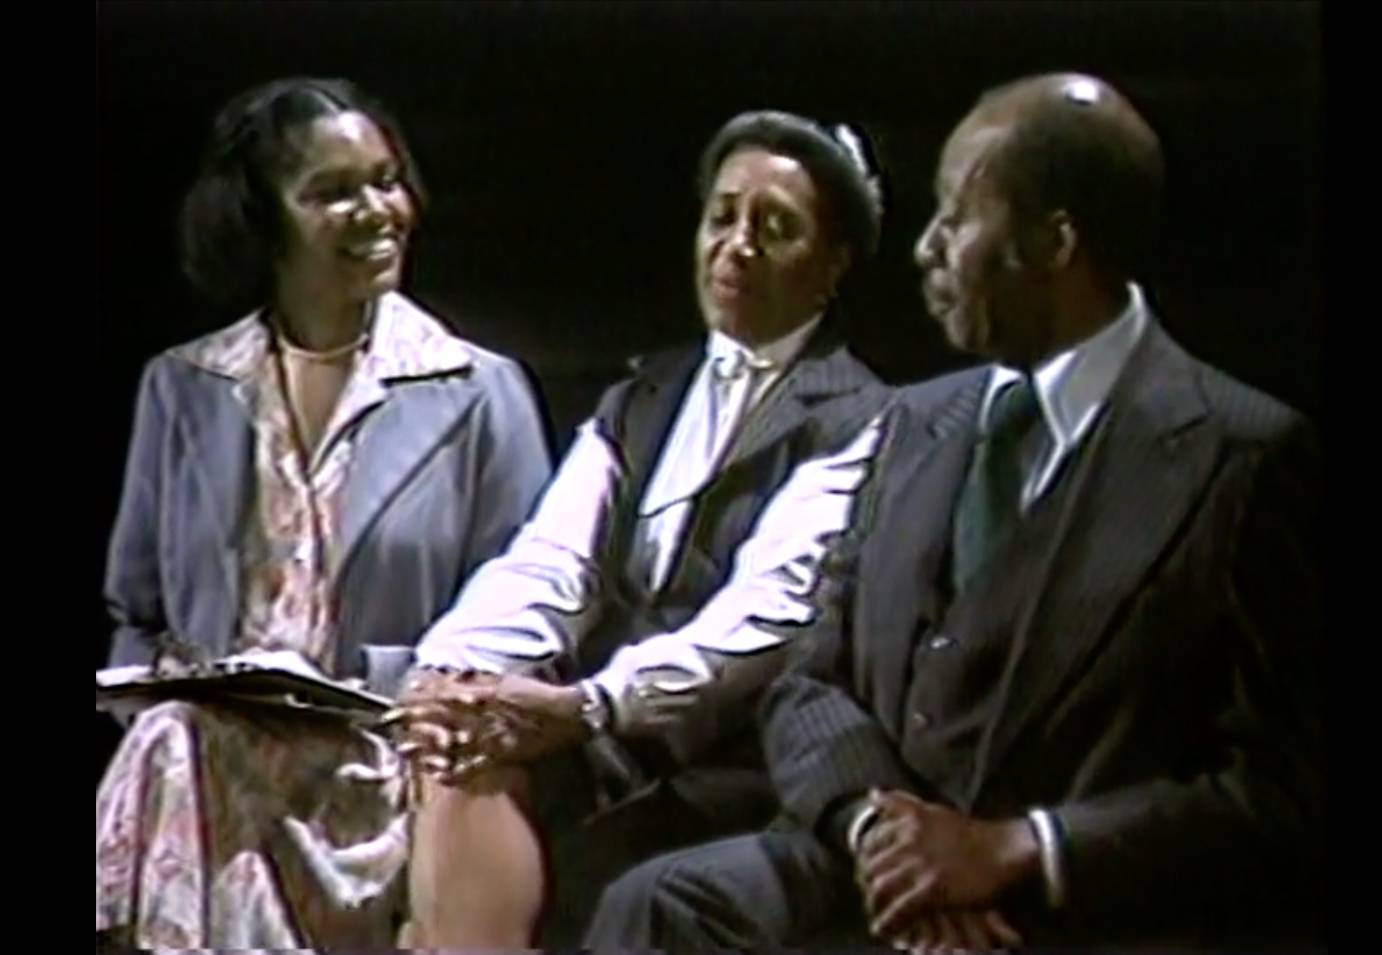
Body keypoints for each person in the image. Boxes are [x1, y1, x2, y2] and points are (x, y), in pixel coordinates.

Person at [586, 73, 1324, 953]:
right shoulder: (911, 422)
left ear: (1054, 241)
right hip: (867, 868)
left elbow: (1284, 789)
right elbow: (809, 677)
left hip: (1062, 910)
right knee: (660, 903)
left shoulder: (1246, 457)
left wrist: (1016, 849)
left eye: (956, 215)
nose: (926, 249)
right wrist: (879, 830)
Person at [392, 109, 892, 947]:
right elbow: (551, 561)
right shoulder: (645, 394)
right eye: (723, 216)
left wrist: (593, 703)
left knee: (601, 870)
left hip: (732, 762)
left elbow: (765, 619)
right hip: (601, 740)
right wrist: (457, 670)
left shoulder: (860, 418)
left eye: (776, 228)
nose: (736, 245)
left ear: (832, 265)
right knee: (459, 751)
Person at [94, 76, 552, 949]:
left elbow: (527, 622)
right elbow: (136, 611)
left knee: (176, 747)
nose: (379, 209)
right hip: (204, 766)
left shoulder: (481, 393)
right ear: (264, 220)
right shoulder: (182, 387)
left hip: (393, 764)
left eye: (386, 179)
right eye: (333, 192)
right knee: (176, 739)